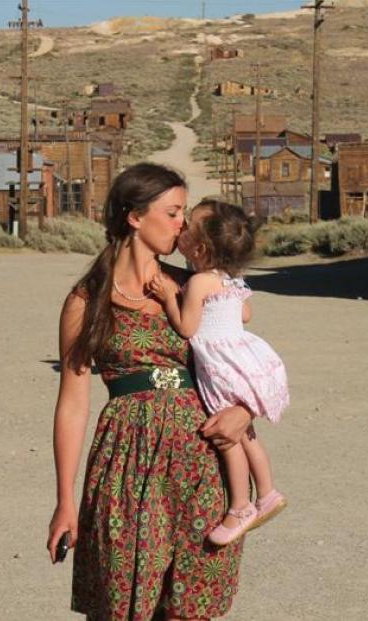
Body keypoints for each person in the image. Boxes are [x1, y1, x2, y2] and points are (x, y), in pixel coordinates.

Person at [47, 163, 254, 621]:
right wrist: (65, 500)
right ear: (135, 217)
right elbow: (73, 404)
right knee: (123, 607)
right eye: (175, 212)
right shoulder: (86, 301)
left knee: (189, 609)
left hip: (202, 461)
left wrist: (244, 410)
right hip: (125, 465)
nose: (184, 225)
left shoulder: (194, 289)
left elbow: (243, 363)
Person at [148, 200, 289, 546]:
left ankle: (241, 506)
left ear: (199, 248)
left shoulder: (197, 283)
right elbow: (246, 314)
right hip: (243, 360)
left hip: (220, 368)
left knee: (228, 441)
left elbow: (186, 326)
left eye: (188, 227)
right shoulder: (231, 280)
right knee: (247, 434)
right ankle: (267, 492)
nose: (180, 228)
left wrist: (169, 297)